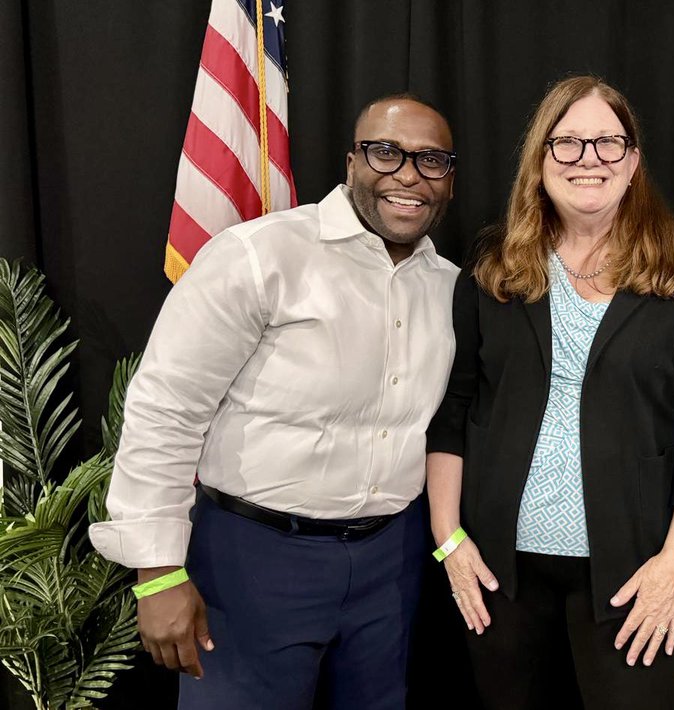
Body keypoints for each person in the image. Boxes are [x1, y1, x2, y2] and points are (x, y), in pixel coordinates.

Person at [88, 94, 460, 709]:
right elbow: (166, 406)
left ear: (449, 180)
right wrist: (156, 572)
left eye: (431, 161)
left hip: (390, 565)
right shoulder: (260, 257)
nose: (408, 175)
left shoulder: (450, 289)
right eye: (385, 153)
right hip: (252, 559)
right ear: (350, 163)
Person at [424, 75, 674, 710]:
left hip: (636, 573)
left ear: (633, 160)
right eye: (567, 143)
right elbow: (454, 410)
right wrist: (449, 539)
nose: (589, 158)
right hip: (499, 573)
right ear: (540, 160)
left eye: (608, 142)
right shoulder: (492, 270)